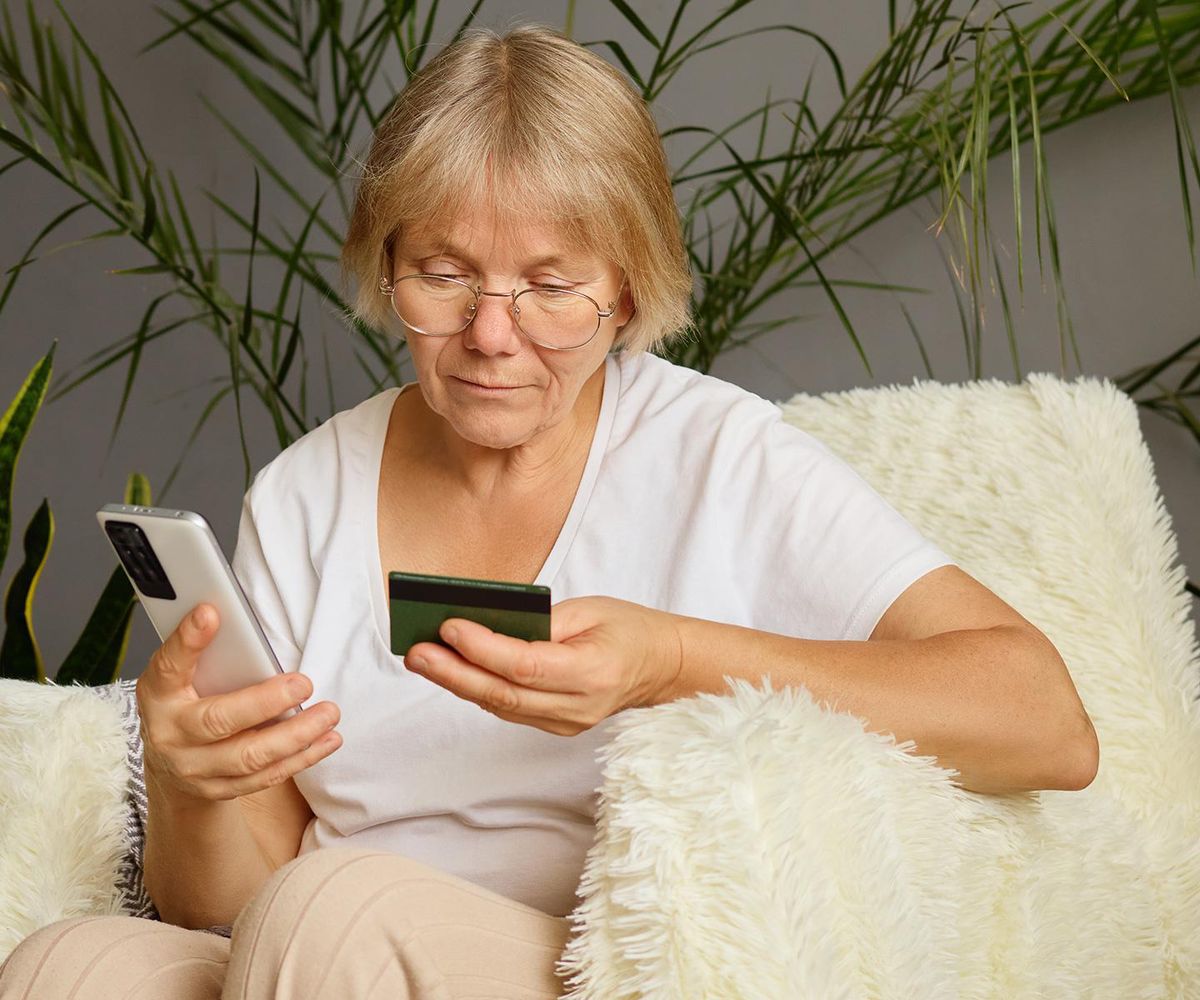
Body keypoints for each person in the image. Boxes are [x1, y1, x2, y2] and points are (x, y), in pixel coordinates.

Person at [0, 20, 1098, 1000]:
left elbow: (1046, 721)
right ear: (389, 269)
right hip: (318, 944)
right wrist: (194, 784)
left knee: (330, 915)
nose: (490, 332)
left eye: (552, 285)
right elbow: (231, 904)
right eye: (444, 272)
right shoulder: (304, 490)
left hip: (586, 962)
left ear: (625, 288)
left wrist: (668, 659)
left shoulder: (721, 455)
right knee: (73, 964)